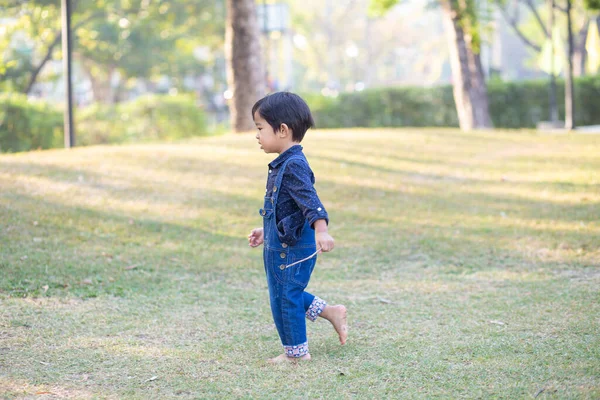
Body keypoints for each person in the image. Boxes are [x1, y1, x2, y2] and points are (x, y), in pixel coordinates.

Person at [248, 92, 348, 363]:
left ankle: (296, 354)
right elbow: (286, 207)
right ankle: (329, 311)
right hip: (279, 242)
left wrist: (321, 229)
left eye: (260, 128)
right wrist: (265, 229)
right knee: (283, 292)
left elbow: (309, 201)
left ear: (282, 130)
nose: (257, 135)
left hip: (291, 247)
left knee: (286, 296)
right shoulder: (284, 163)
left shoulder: (293, 165)